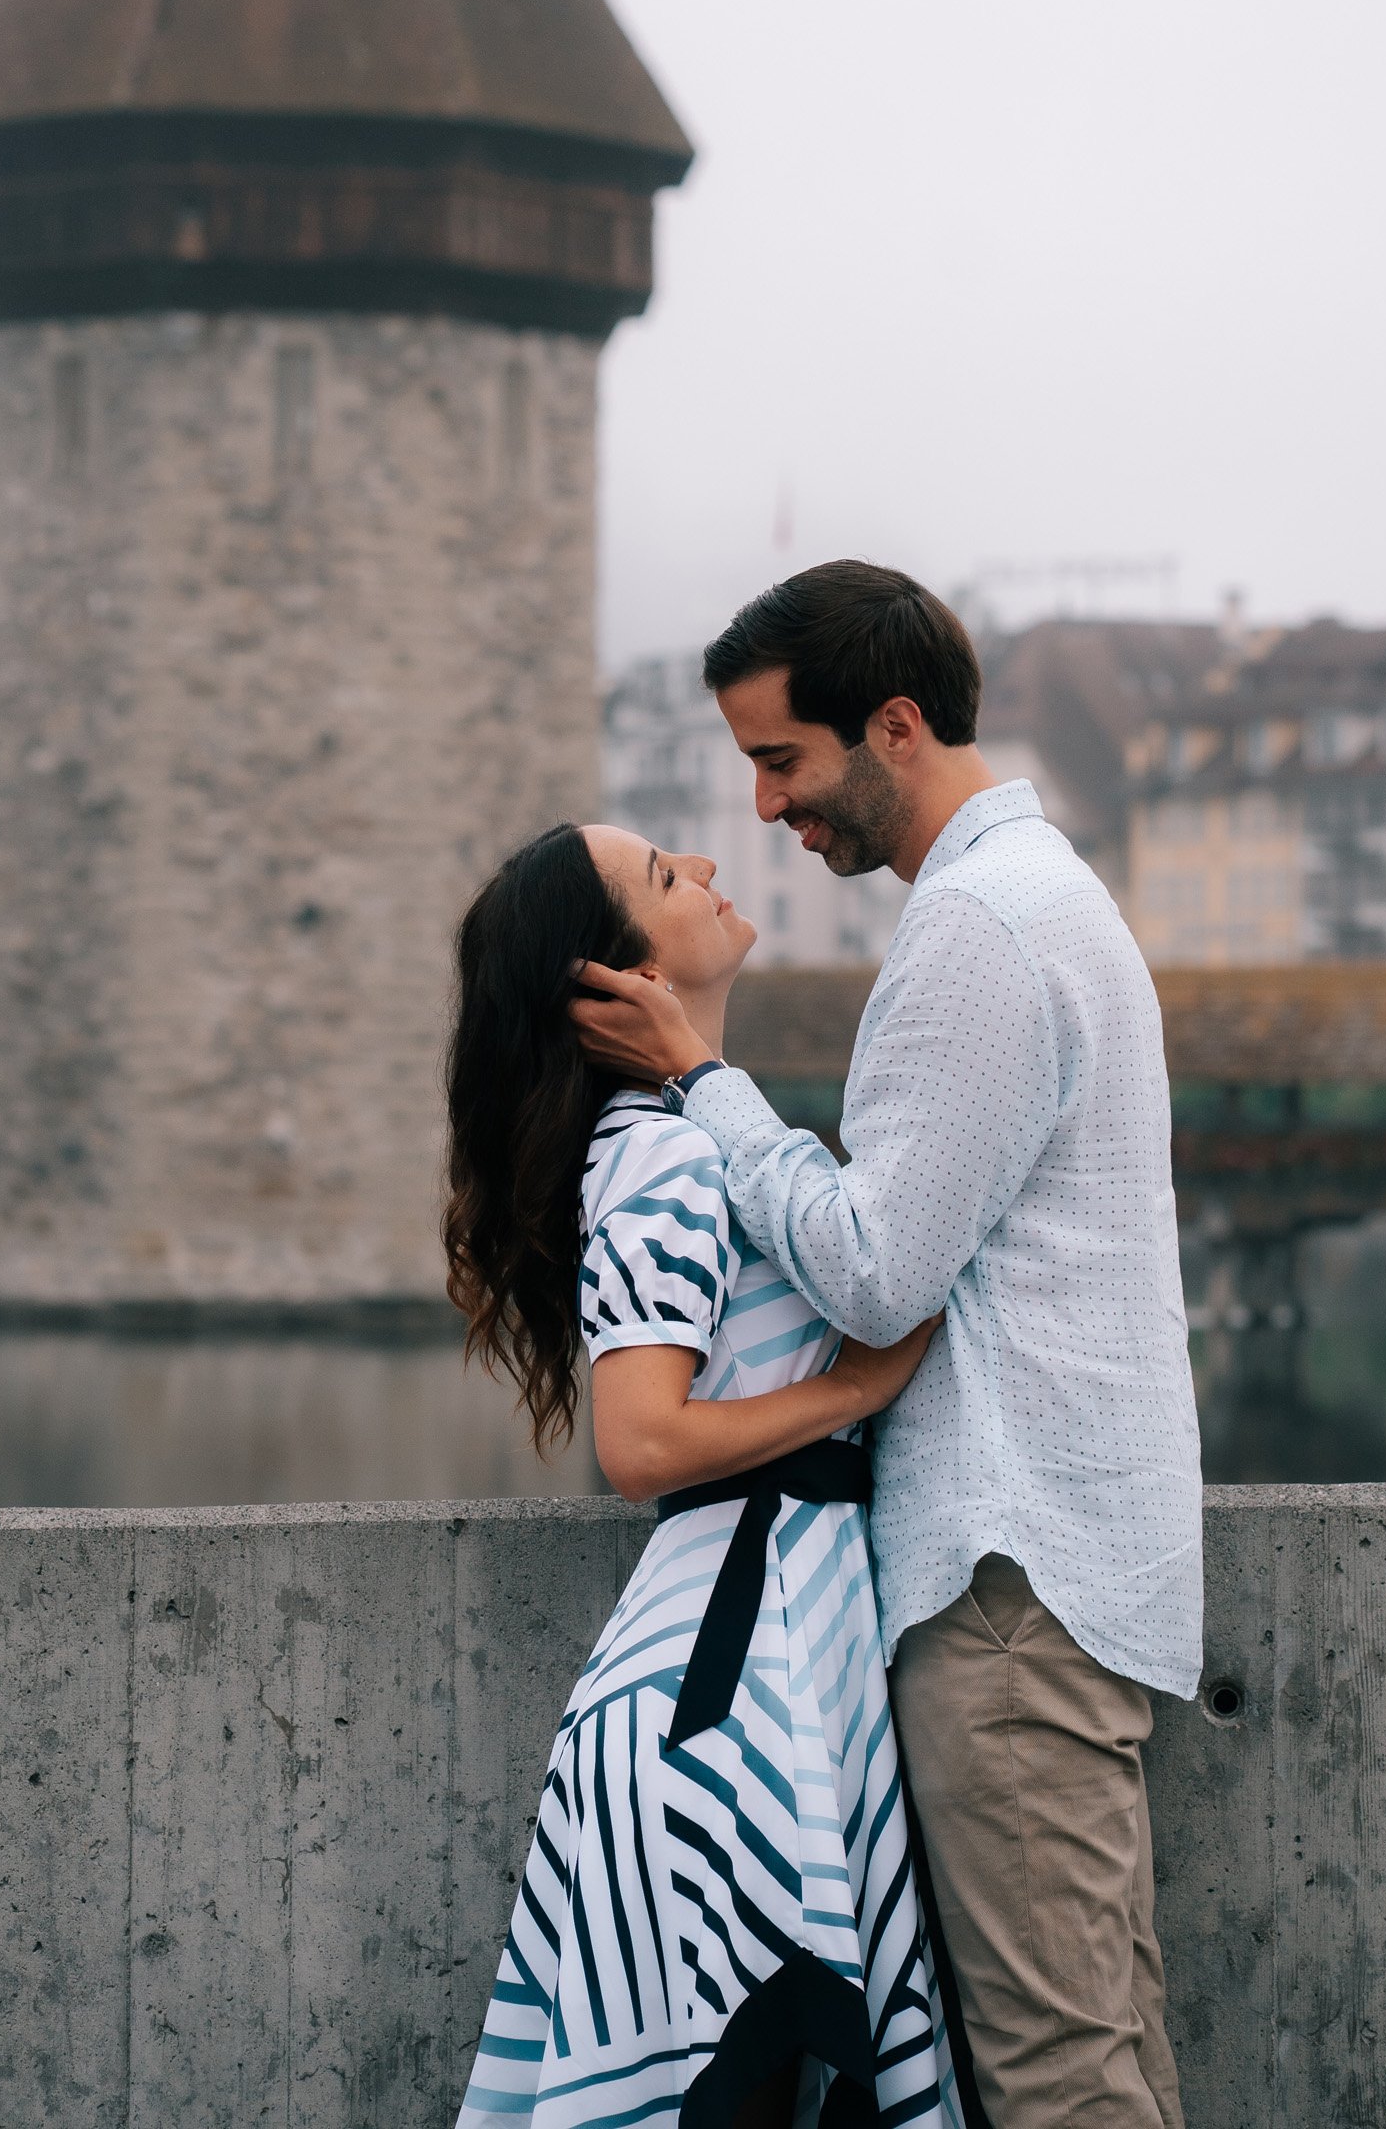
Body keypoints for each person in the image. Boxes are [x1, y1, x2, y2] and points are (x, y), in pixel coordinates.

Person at [572, 564, 1203, 2129]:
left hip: (1009, 1580)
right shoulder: (1040, 895)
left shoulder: (979, 929)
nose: (768, 807)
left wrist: (705, 1081)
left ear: (896, 729)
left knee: (1060, 2077)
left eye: (782, 761)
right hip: (1066, 1558)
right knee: (1104, 2049)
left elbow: (876, 1272)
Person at [447, 816, 964, 2129]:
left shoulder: (681, 1137)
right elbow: (643, 1443)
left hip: (750, 1675)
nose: (716, 875)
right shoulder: (670, 1158)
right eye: (669, 879)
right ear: (614, 979)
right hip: (725, 1705)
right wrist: (847, 1391)